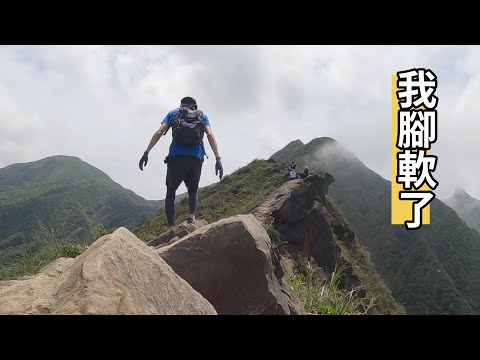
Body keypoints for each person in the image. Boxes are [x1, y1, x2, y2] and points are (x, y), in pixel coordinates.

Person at [139, 96, 223, 243]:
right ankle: (191, 220)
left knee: (171, 193)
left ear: (181, 105)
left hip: (176, 158)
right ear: (195, 106)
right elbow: (209, 134)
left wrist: (146, 152)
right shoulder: (202, 116)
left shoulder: (173, 113)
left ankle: (172, 232)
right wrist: (218, 159)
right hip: (196, 158)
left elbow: (159, 132)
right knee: (193, 190)